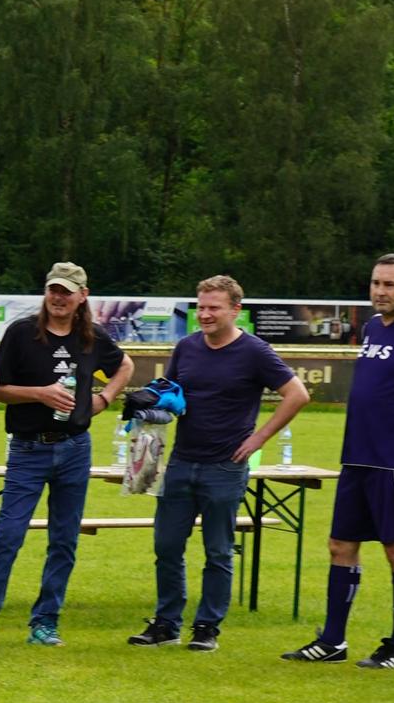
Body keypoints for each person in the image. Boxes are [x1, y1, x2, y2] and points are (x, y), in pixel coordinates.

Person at [128, 276, 307, 650]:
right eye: (201, 307)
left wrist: (259, 438)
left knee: (218, 550)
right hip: (182, 461)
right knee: (166, 546)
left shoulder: (255, 351)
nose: (205, 315)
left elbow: (297, 394)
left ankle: (207, 628)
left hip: (225, 466)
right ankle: (167, 624)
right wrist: (146, 406)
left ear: (235, 310)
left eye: (214, 308)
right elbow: (171, 399)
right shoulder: (187, 347)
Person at [0, 264, 132, 647]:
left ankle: (45, 622)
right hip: (27, 447)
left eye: (67, 292)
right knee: (7, 535)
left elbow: (124, 366)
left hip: (75, 447)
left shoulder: (92, 337)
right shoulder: (22, 333)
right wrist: (39, 393)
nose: (59, 297)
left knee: (64, 540)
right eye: (53, 290)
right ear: (46, 292)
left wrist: (103, 399)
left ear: (82, 296)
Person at [285, 251, 394, 667]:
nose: (380, 291)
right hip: (358, 457)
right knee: (340, 545)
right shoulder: (371, 326)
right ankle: (333, 641)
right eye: (376, 283)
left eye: (390, 284)